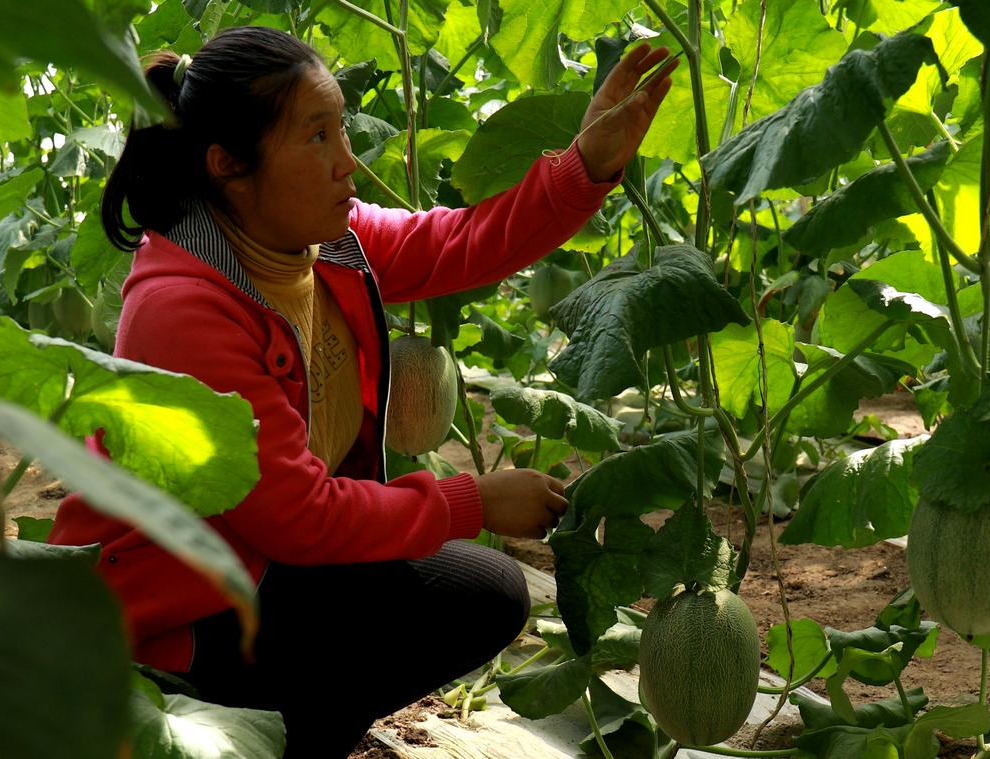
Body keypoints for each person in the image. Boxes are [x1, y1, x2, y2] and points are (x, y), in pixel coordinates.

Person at [46, 25, 675, 758]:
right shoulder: (183, 307)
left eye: (340, 127)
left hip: (264, 572)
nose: (349, 162)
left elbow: (463, 241)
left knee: (469, 593)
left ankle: (294, 733)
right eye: (316, 137)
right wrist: (474, 499)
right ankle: (230, 725)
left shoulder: (321, 242)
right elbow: (300, 518)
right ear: (228, 165)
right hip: (176, 609)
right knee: (474, 593)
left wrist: (584, 164)